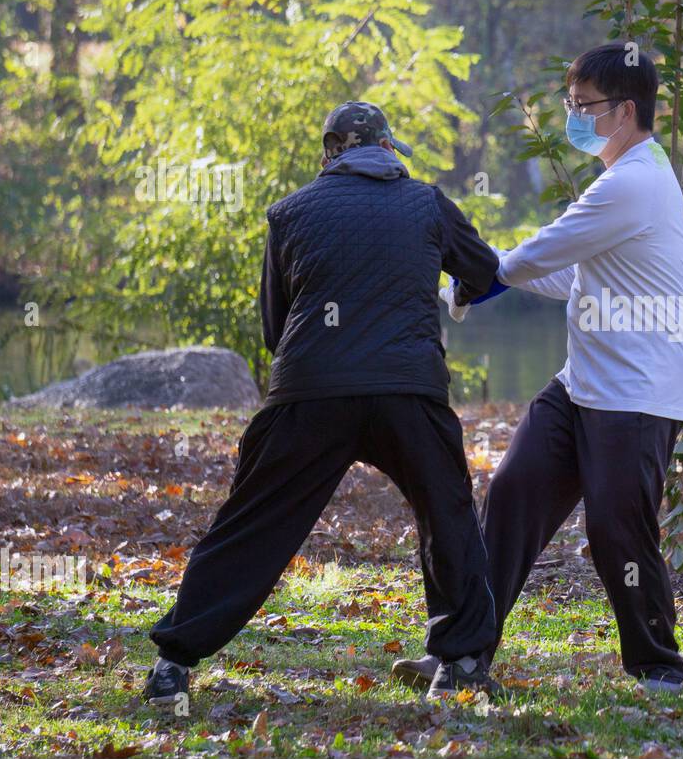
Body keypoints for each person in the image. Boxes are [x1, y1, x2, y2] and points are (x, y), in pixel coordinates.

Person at [145, 101, 503, 707]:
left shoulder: (289, 213)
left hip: (310, 392)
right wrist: (462, 291)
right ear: (387, 150)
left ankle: (173, 664)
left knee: (253, 523)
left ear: (329, 151)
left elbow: (273, 328)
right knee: (447, 513)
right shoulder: (428, 204)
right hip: (407, 391)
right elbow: (487, 270)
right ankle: (462, 662)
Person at [395, 43, 683, 694]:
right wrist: (471, 288)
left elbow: (542, 252)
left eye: (582, 105)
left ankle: (659, 668)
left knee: (617, 527)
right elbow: (568, 271)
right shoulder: (625, 178)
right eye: (571, 104)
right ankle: (466, 653)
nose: (574, 116)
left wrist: (475, 271)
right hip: (583, 384)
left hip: (638, 393)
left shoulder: (634, 183)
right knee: (512, 494)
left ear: (624, 110)